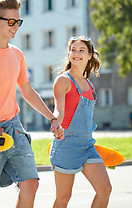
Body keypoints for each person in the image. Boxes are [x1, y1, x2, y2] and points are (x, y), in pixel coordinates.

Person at [0, 0, 64, 208]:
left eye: (18, 22)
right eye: (10, 22)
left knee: (31, 183)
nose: (15, 27)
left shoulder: (17, 54)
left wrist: (52, 118)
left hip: (14, 127)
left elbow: (27, 91)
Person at [49, 36, 112, 208]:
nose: (76, 53)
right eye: (73, 50)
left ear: (90, 55)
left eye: (81, 50)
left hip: (87, 145)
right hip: (66, 143)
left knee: (105, 189)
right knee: (63, 198)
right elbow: (59, 109)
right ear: (69, 54)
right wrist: (56, 123)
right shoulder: (63, 80)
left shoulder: (89, 85)